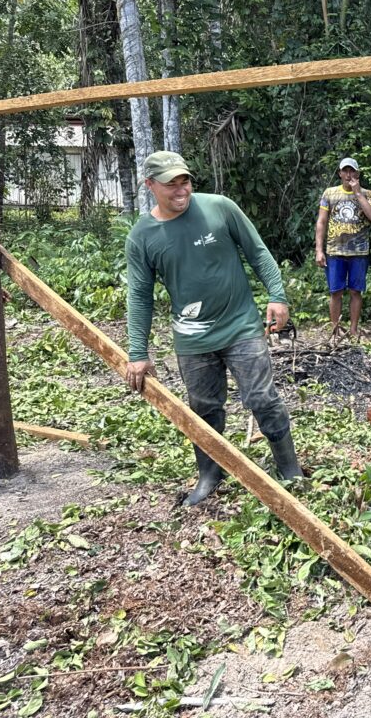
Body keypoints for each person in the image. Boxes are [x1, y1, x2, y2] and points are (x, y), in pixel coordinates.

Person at [125, 151, 303, 506]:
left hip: (241, 326)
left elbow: (258, 251)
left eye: (184, 181)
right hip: (192, 340)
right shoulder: (142, 237)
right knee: (204, 409)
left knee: (262, 398)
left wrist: (277, 295)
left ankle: (289, 467)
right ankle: (209, 474)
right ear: (150, 186)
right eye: (170, 184)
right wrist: (137, 353)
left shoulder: (219, 207)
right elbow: (140, 296)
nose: (180, 190)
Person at [315, 157, 371, 340]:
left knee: (355, 291)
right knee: (335, 291)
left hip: (359, 251)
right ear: (340, 173)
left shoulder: (368, 194)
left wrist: (358, 194)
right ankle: (335, 329)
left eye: (352, 171)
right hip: (335, 251)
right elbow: (321, 222)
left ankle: (353, 329)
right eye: (345, 171)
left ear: (357, 174)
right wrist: (319, 250)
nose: (348, 175)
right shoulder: (330, 194)